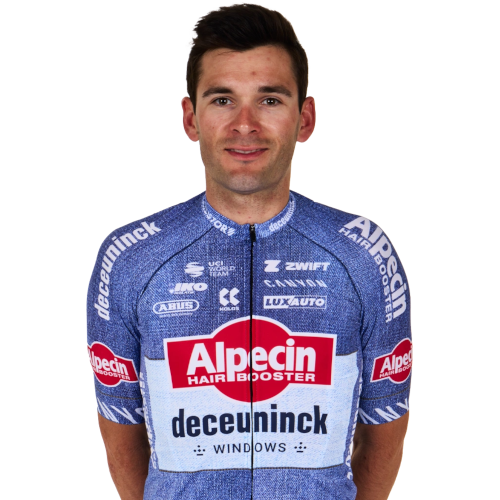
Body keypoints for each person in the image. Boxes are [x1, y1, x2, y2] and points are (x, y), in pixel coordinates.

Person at [86, 3, 412, 499]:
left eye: (269, 100)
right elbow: (120, 437)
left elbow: (385, 429)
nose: (245, 124)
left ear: (305, 118)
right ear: (190, 118)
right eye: (222, 100)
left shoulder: (364, 254)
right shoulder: (130, 258)